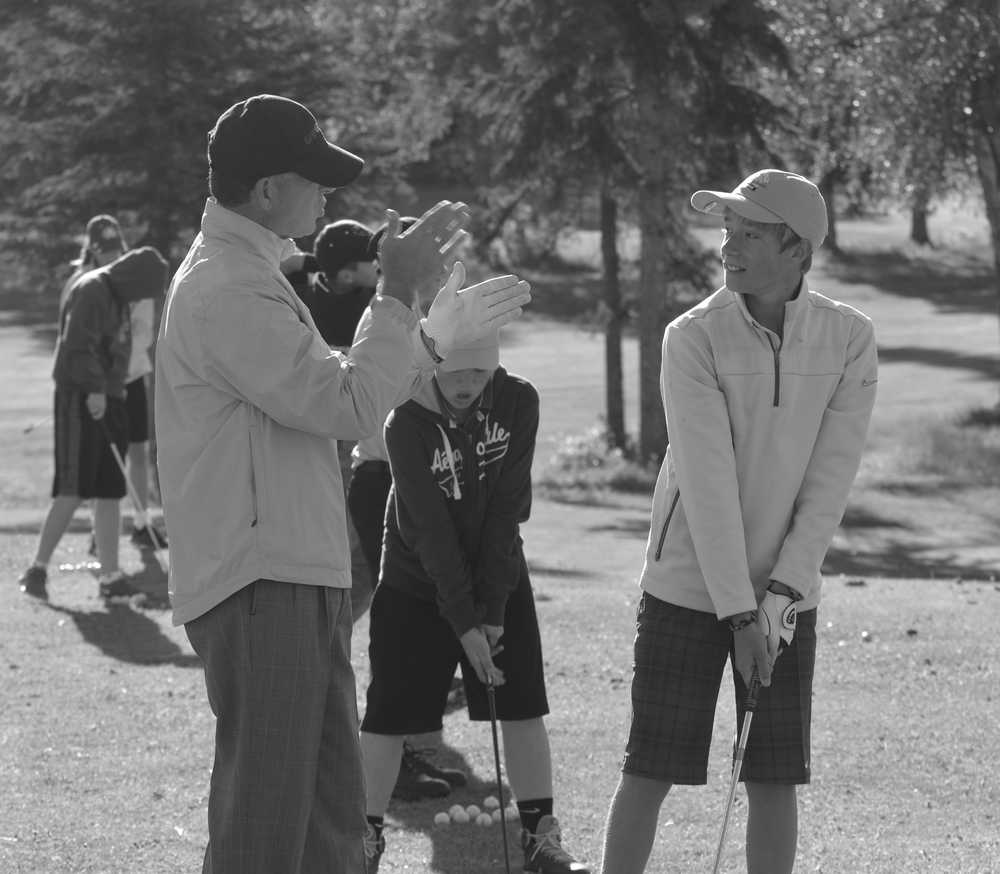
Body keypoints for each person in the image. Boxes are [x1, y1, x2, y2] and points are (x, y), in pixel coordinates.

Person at [154, 93, 530, 874]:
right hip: (264, 579)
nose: (328, 197)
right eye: (315, 180)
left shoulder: (248, 273)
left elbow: (343, 388)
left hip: (292, 570)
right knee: (268, 826)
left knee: (329, 826)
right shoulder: (228, 284)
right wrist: (395, 297)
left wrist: (424, 336)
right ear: (265, 191)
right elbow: (348, 405)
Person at [599, 169, 878, 874]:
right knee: (651, 768)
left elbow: (828, 481)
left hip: (783, 596)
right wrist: (738, 613)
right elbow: (707, 480)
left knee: (774, 776)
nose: (729, 246)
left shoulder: (848, 339)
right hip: (689, 585)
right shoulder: (692, 337)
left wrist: (780, 598)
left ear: (799, 253)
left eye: (750, 233)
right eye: (728, 230)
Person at [359, 332, 590, 874]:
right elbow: (430, 533)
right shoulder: (406, 421)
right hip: (415, 581)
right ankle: (362, 838)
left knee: (523, 705)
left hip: (499, 574)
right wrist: (465, 623)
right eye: (455, 373)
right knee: (389, 716)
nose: (465, 385)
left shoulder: (518, 401)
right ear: (435, 365)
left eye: (478, 375)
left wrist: (490, 612)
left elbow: (507, 509)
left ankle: (540, 838)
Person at [17, 238, 168, 600]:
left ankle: (111, 577)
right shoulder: (92, 288)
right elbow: (76, 346)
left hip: (107, 398)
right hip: (78, 400)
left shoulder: (118, 295)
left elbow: (118, 354)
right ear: (135, 280)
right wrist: (97, 390)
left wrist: (112, 395)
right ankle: (37, 570)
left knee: (109, 489)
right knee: (75, 486)